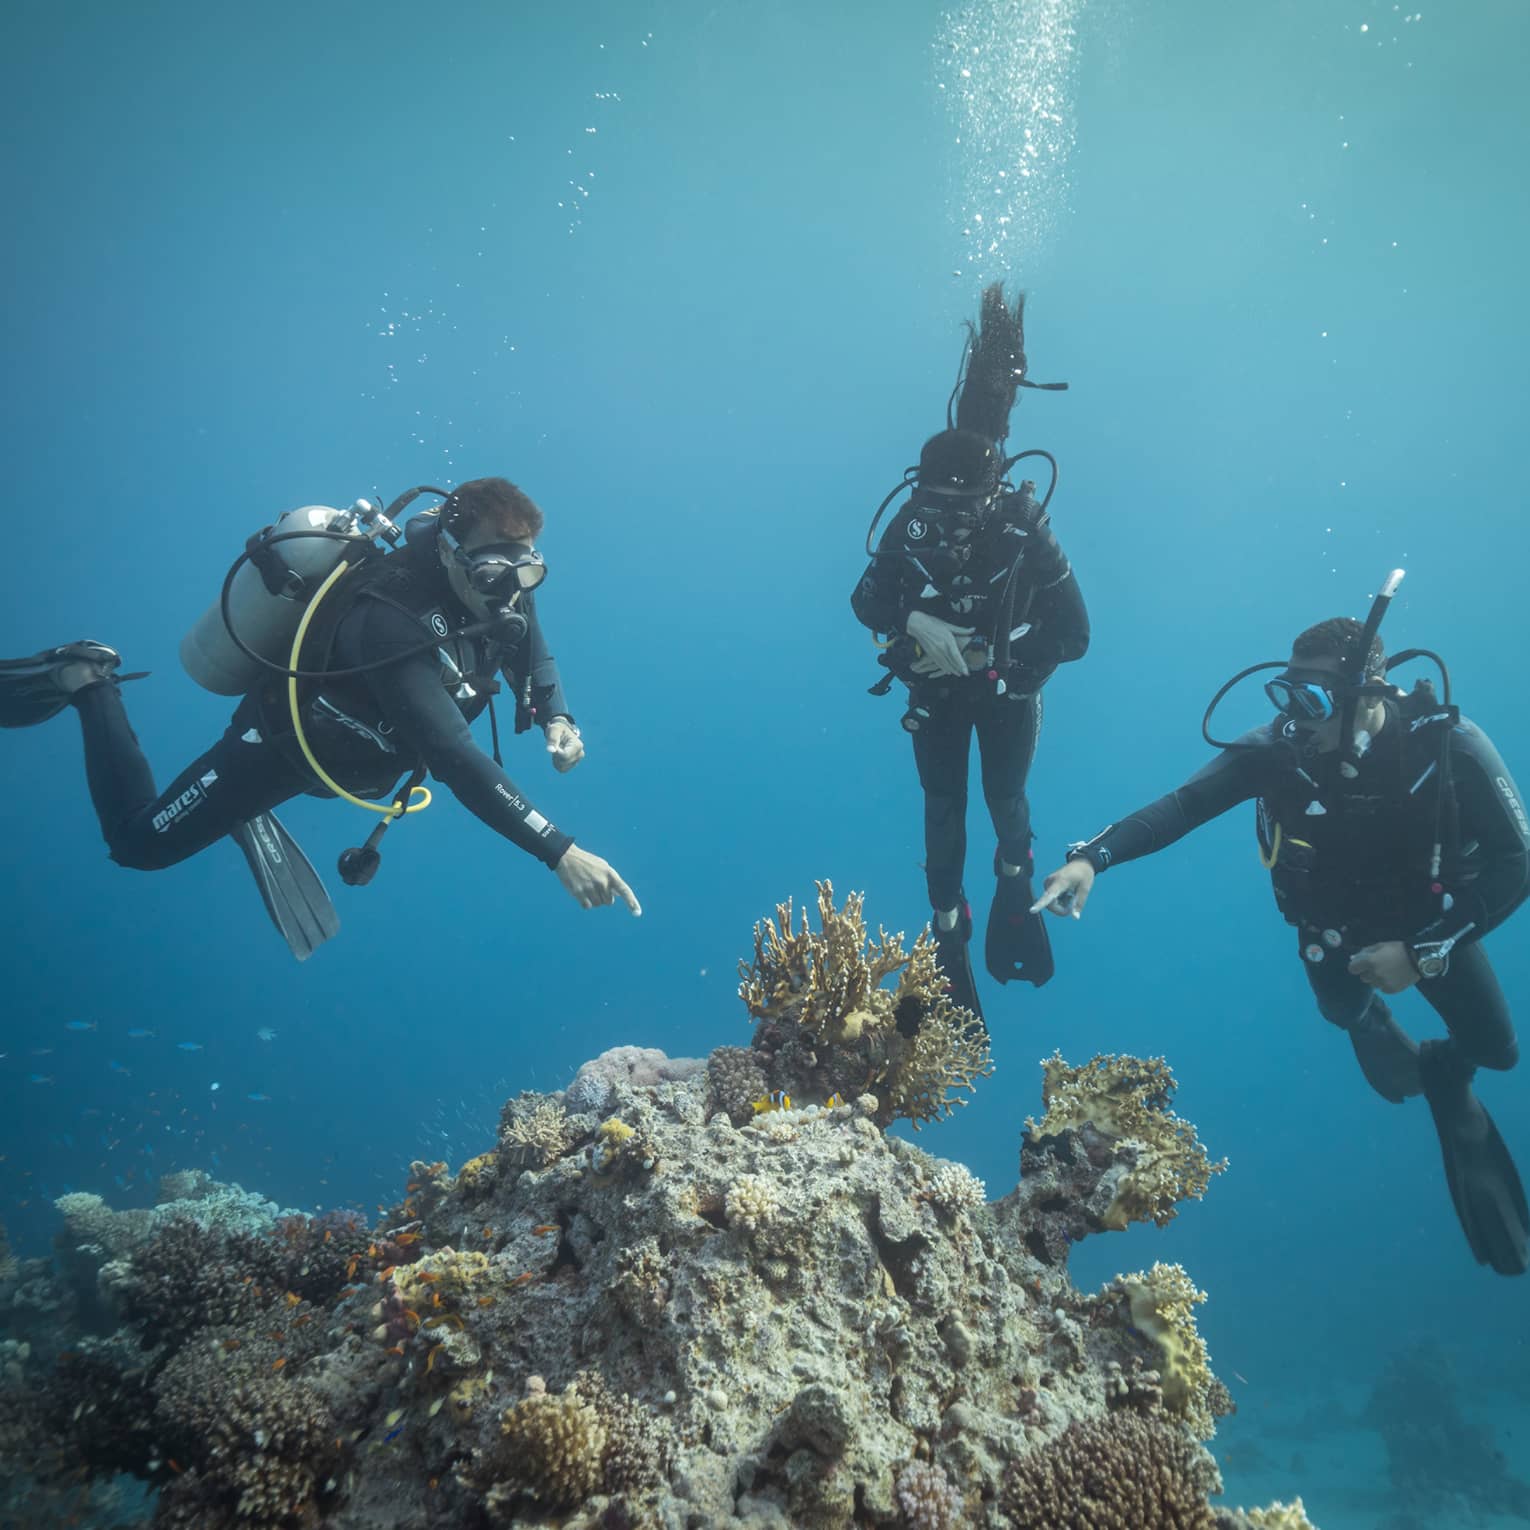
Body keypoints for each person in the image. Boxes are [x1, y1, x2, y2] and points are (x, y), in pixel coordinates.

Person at [1034, 591, 1530, 1275]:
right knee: (1346, 1015)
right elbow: (1183, 805)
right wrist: (1094, 856)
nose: (1296, 718)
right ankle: (1404, 1048)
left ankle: (1450, 1074)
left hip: (1429, 928)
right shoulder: (1279, 751)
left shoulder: (1447, 746)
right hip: (1330, 930)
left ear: (1370, 691)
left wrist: (1421, 954)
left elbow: (1517, 862)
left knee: (1498, 1053)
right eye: (1289, 695)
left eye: (1315, 699)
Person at [0, 476, 640, 956]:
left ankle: (237, 810)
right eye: (496, 566)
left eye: (526, 566)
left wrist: (557, 715)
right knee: (139, 846)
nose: (511, 586)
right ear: (448, 549)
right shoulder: (393, 621)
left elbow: (530, 643)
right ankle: (89, 681)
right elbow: (452, 758)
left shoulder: (496, 585)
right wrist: (559, 851)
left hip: (357, 760)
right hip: (278, 750)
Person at [852, 284, 1089, 1022]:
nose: (948, 525)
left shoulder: (1022, 526)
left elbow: (1073, 633)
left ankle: (1014, 880)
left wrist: (1004, 669)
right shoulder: (913, 524)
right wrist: (915, 627)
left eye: (964, 510)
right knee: (943, 809)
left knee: (1004, 800)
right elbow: (865, 602)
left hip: (1004, 690)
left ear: (993, 498)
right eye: (935, 505)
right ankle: (949, 931)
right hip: (935, 692)